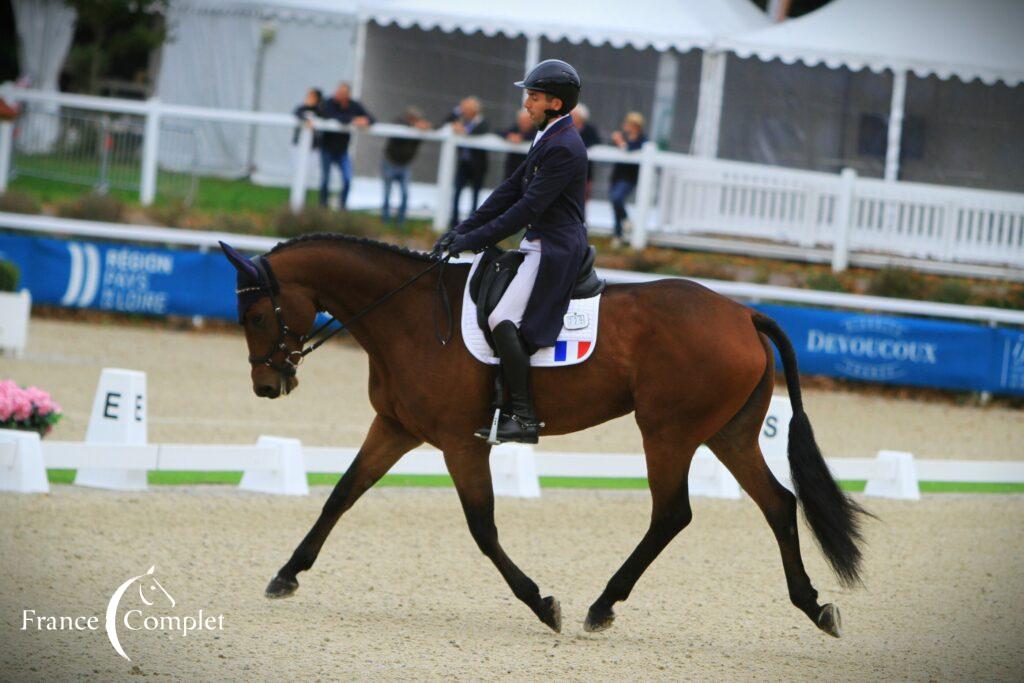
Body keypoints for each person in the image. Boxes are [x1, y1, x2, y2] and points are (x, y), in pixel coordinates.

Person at [432, 59, 587, 444]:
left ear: (554, 102)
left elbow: (527, 209)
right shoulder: (548, 135)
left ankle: (523, 416)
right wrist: (462, 229)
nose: (526, 105)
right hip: (539, 240)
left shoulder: (564, 146)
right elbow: (509, 191)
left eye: (532, 97)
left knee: (503, 318)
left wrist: (473, 240)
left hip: (554, 246)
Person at [318, 82, 374, 210]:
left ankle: (342, 206)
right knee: (325, 180)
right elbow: (329, 115)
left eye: (342, 93)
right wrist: (352, 119)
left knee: (348, 179)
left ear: (347, 94)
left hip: (342, 151)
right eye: (338, 91)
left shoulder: (353, 105)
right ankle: (323, 208)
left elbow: (371, 119)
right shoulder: (329, 103)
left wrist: (364, 120)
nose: (338, 94)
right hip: (327, 148)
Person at [381, 106, 431, 226]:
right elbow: (395, 125)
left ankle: (400, 223)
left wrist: (425, 127)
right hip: (390, 162)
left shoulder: (419, 130)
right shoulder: (399, 124)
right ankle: (385, 221)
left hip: (404, 165)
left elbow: (436, 126)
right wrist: (414, 127)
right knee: (387, 194)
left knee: (405, 194)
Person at [444, 96, 489, 227]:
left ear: (474, 110)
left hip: (478, 166)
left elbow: (479, 134)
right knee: (457, 192)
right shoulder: (462, 119)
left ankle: (471, 223)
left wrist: (464, 132)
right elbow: (446, 120)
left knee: (475, 195)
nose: (464, 112)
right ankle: (454, 222)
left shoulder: (482, 123)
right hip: (463, 164)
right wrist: (457, 110)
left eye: (467, 109)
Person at [608, 112, 647, 247]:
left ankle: (625, 221)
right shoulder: (624, 137)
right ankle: (618, 234)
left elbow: (629, 150)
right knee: (615, 203)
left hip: (629, 177)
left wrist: (620, 142)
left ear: (635, 126)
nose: (625, 126)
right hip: (617, 175)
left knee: (617, 198)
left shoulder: (642, 140)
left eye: (628, 123)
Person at [571, 103, 600, 206]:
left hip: (585, 169)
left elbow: (596, 143)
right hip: (568, 167)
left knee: (583, 196)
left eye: (573, 115)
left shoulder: (590, 129)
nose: (571, 117)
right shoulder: (566, 128)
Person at [501, 109, 536, 178]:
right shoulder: (515, 128)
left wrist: (522, 138)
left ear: (531, 121)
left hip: (527, 167)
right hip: (512, 166)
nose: (524, 123)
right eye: (522, 121)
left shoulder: (536, 130)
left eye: (526, 121)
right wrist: (509, 136)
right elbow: (501, 132)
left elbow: (533, 136)